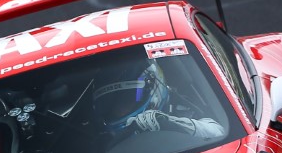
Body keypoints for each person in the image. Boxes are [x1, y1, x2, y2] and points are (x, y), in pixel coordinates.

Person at [92, 59, 224, 139]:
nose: (119, 111)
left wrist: (168, 123)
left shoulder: (186, 112)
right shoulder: (101, 145)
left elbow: (219, 132)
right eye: (111, 106)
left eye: (127, 100)